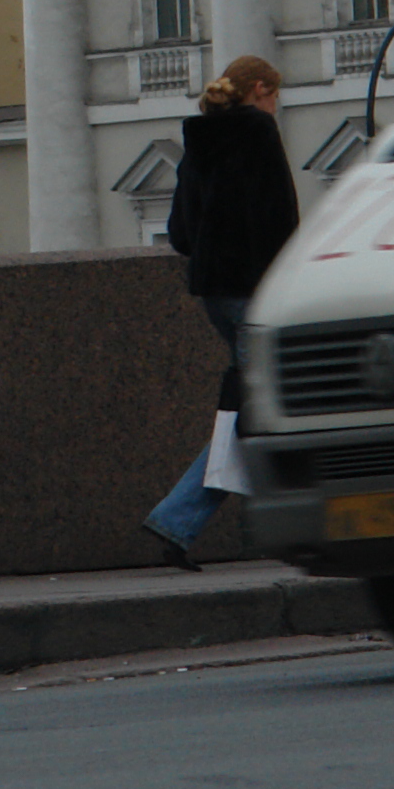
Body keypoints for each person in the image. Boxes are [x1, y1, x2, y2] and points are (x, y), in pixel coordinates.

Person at [144, 55, 301, 568]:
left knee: (253, 406)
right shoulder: (258, 133)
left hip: (216, 293)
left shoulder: (201, 138)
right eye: (275, 95)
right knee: (259, 410)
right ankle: (179, 519)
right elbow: (280, 220)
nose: (276, 106)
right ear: (259, 90)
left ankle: (271, 526)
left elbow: (180, 232)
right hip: (255, 293)